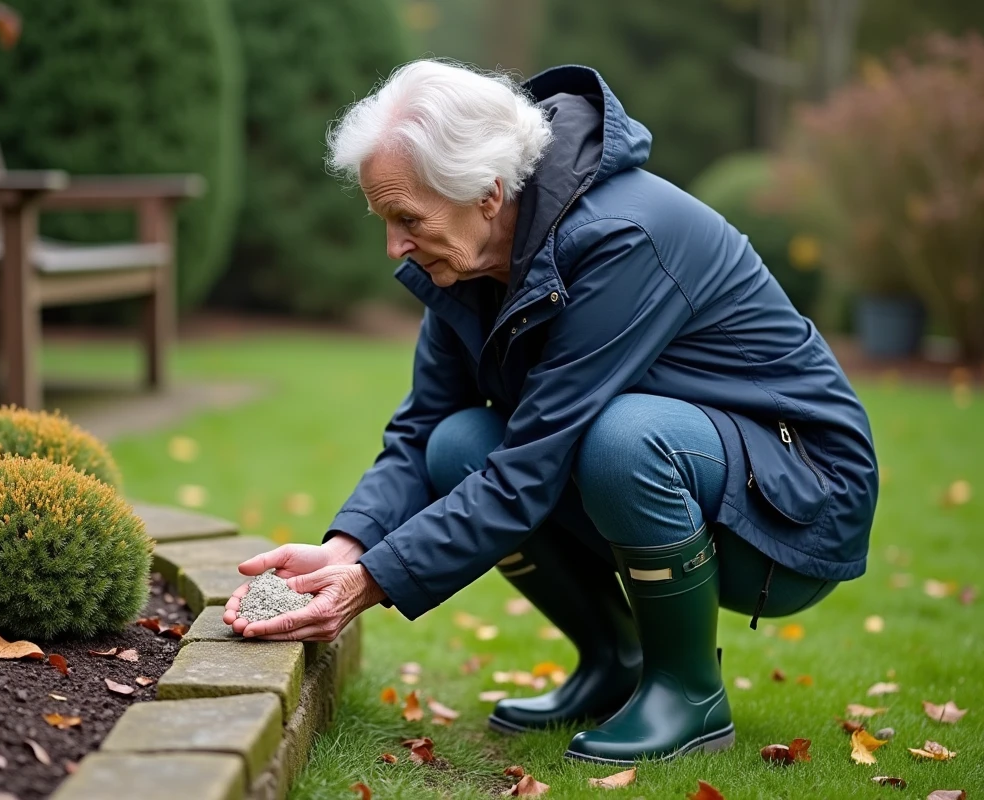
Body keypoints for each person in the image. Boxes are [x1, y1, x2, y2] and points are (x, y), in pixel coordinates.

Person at [223, 59, 878, 765]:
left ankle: (687, 693)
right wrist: (347, 547)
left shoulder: (623, 235)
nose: (394, 246)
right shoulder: (469, 260)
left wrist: (372, 581)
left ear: (486, 192)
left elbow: (533, 466)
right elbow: (419, 432)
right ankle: (614, 660)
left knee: (623, 440)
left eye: (406, 218)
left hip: (796, 508)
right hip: (705, 481)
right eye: (385, 220)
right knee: (456, 444)